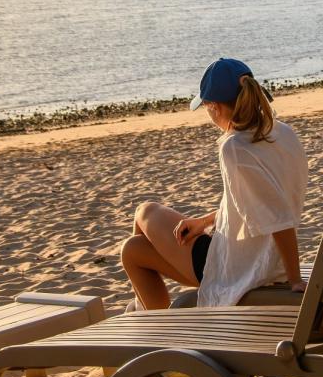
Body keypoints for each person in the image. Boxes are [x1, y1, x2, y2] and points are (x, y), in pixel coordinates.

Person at [121, 57, 308, 309]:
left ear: (214, 107)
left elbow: (279, 217)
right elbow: (257, 203)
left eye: (206, 107)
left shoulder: (235, 147)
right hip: (258, 256)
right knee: (133, 249)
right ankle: (141, 311)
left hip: (238, 265)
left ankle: (146, 316)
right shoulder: (281, 131)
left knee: (144, 212)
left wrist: (294, 279)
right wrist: (205, 222)